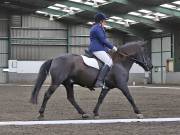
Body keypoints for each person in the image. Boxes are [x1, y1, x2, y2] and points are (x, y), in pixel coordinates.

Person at [88, 13, 117, 88]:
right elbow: (103, 40)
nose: (105, 22)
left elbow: (101, 42)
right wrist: (112, 47)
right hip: (96, 49)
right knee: (109, 62)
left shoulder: (99, 28)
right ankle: (99, 81)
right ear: (100, 21)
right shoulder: (97, 28)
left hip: (100, 48)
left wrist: (108, 49)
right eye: (104, 21)